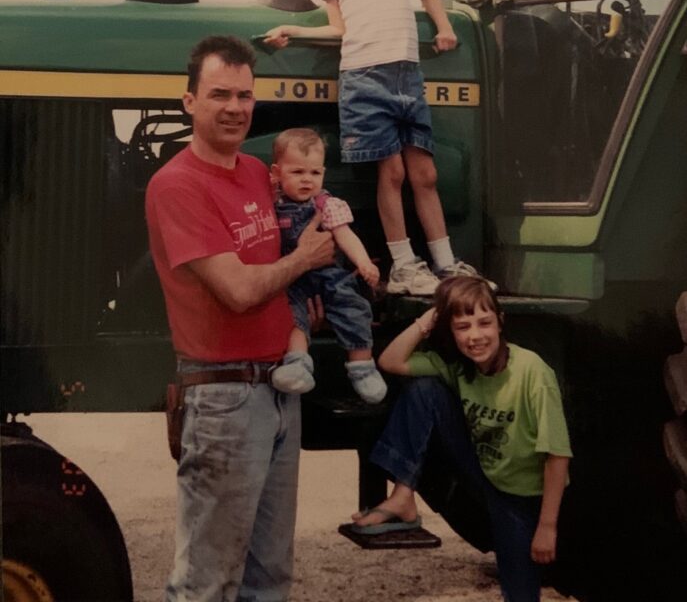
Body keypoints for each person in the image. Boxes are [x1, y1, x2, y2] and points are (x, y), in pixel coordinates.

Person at [145, 34, 335, 602]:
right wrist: (304, 260)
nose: (234, 107)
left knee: (269, 579)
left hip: (279, 388)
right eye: (220, 94)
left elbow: (269, 274)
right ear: (189, 102)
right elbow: (236, 290)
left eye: (244, 95)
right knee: (207, 582)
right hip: (224, 398)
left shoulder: (257, 172)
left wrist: (301, 310)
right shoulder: (176, 185)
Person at [264, 0, 480, 296]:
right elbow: (338, 29)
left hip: (407, 76)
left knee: (426, 173)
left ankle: (445, 263)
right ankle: (403, 265)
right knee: (393, 172)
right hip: (366, 77)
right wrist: (294, 28)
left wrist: (442, 27)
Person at [351, 275, 571, 602]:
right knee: (423, 391)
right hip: (484, 474)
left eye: (484, 323)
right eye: (462, 327)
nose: (475, 336)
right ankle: (403, 495)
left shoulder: (532, 373)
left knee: (521, 592)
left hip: (522, 497)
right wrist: (427, 320)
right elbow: (390, 362)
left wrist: (547, 526)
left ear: (500, 322)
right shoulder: (457, 367)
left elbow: (557, 456)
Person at [269, 127, 387, 404]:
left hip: (329, 276)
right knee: (292, 318)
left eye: (315, 173)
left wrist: (362, 262)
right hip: (291, 279)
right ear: (276, 173)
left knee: (354, 308)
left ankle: (362, 367)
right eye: (297, 172)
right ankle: (298, 364)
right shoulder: (270, 205)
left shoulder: (327, 204)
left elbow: (345, 236)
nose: (307, 180)